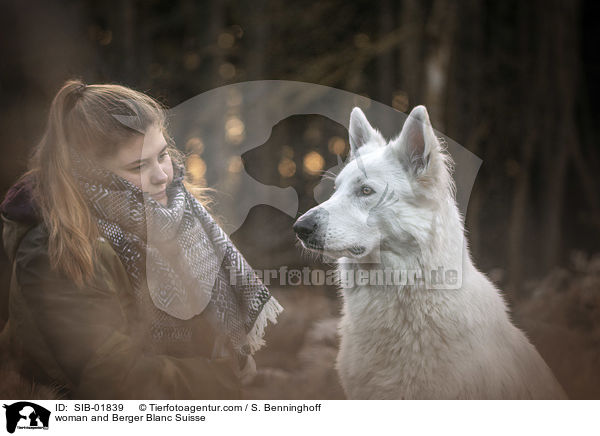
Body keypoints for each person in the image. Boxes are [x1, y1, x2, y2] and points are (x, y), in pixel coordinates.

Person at [0, 80, 282, 399]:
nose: (162, 174)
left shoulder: (176, 214)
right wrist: (222, 379)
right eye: (139, 166)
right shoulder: (55, 246)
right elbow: (113, 376)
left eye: (162, 155)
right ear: (90, 172)